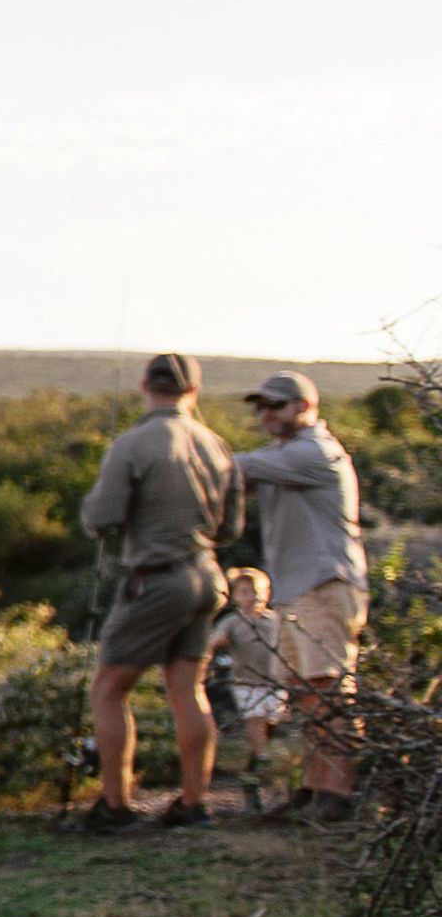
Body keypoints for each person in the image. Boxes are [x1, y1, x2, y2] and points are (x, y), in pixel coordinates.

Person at [77, 351, 243, 831]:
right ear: (194, 390)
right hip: (207, 575)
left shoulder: (133, 443)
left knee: (108, 689)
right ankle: (193, 803)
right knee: (188, 688)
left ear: (144, 385)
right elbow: (231, 528)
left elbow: (101, 518)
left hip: (156, 578)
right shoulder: (216, 444)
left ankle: (115, 806)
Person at [233, 370, 370, 820]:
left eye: (275, 405)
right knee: (304, 693)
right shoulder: (285, 455)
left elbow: (237, 468)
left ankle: (338, 794)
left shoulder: (314, 452)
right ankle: (313, 790)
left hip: (323, 587)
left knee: (329, 690)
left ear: (305, 406)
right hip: (296, 590)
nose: (265, 414)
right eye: (261, 407)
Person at [210, 567, 292, 814]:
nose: (252, 597)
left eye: (256, 591)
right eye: (245, 592)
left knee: (271, 722)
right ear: (235, 596)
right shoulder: (232, 622)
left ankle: (255, 767)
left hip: (274, 682)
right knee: (255, 720)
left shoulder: (274, 621)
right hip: (246, 683)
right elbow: (215, 639)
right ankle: (262, 758)